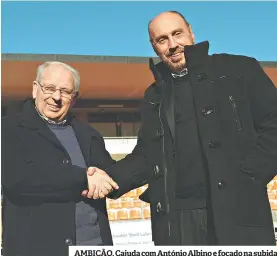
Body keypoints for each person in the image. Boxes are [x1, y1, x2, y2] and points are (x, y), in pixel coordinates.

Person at [87, 11, 277, 245]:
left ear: (191, 33)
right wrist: (111, 177)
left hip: (236, 211)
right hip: (176, 221)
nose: (173, 45)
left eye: (177, 34)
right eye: (162, 39)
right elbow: (147, 156)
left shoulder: (239, 70)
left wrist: (250, 177)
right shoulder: (155, 94)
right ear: (154, 46)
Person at [2, 61, 119, 256]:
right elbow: (17, 178)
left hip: (94, 245)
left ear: (74, 99)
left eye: (65, 91)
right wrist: (83, 177)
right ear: (35, 89)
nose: (56, 97)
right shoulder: (8, 129)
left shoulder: (89, 134)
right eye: (49, 88)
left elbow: (110, 175)